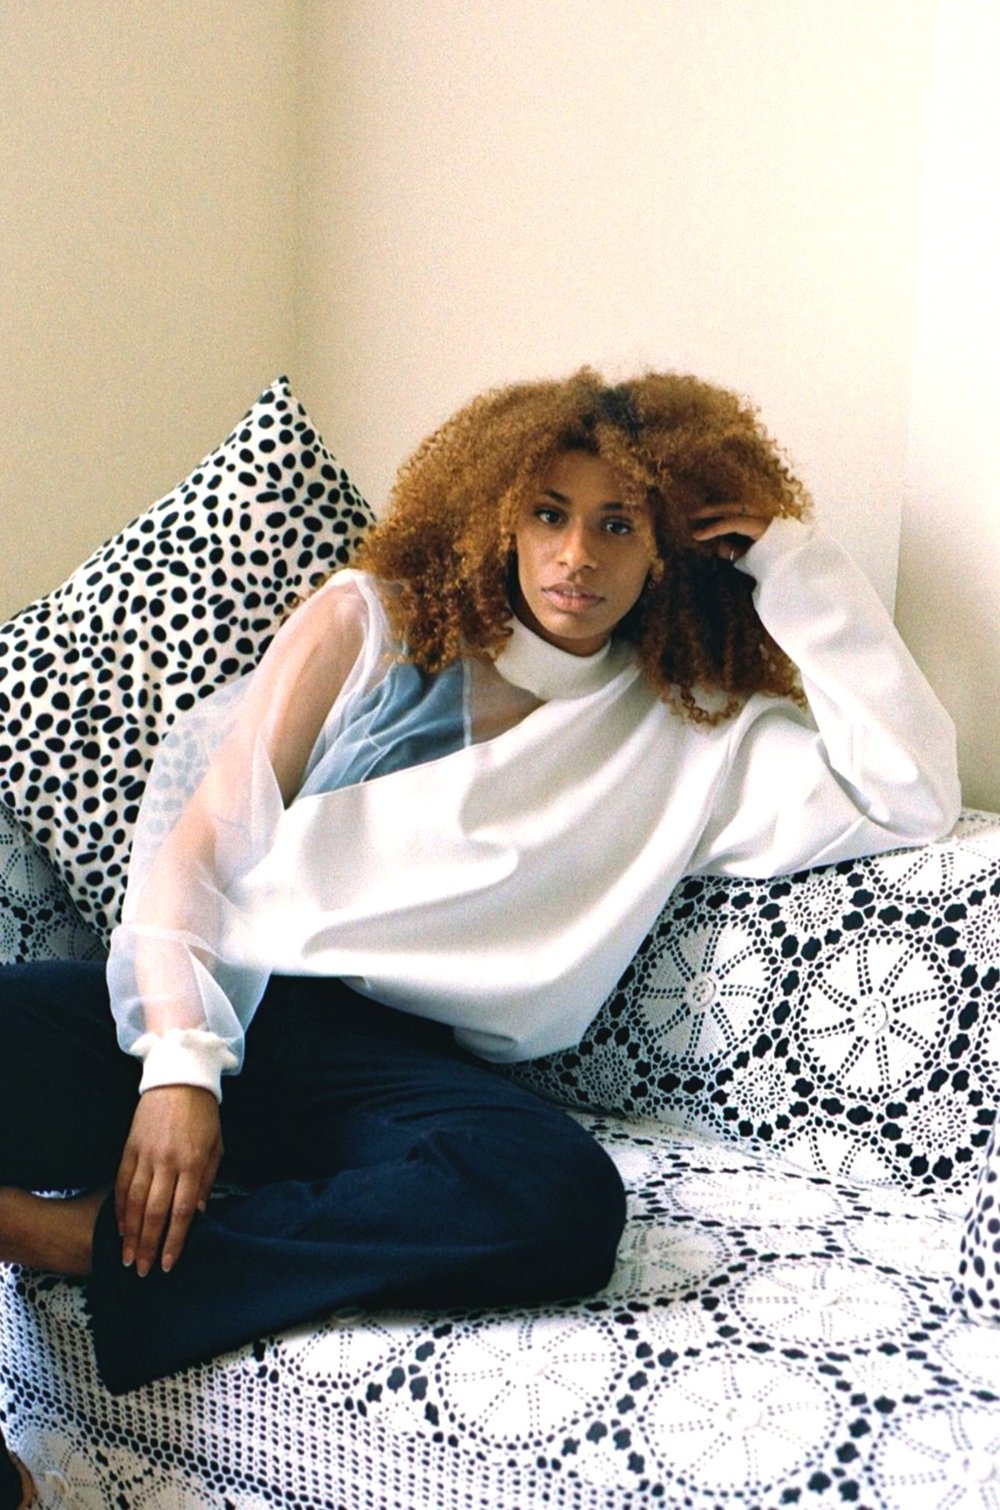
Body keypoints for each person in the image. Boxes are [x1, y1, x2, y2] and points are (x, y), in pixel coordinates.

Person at [0, 369, 959, 1482]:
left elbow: (909, 794)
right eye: (549, 513)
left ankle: (70, 1239)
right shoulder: (372, 623)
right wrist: (179, 1070)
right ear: (499, 512)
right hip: (221, 1007)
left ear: (670, 547)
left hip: (399, 1082)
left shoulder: (697, 733)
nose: (576, 555)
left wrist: (790, 560)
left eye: (619, 524)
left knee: (560, 1199)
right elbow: (199, 848)